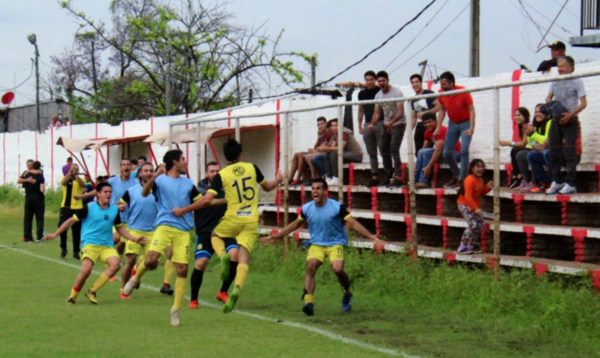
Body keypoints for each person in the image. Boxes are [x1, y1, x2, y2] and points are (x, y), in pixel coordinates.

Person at [172, 139, 283, 314]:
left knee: (216, 236)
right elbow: (268, 187)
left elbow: (207, 199)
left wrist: (184, 210)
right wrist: (278, 180)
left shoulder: (223, 175)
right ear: (241, 155)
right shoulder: (252, 168)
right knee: (244, 259)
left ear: (225, 158)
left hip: (232, 219)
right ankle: (237, 288)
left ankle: (222, 256)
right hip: (251, 220)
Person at [260, 179, 384, 316]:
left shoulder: (337, 207)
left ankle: (347, 292)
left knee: (338, 269)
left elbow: (353, 224)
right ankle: (308, 303)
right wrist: (276, 236)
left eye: (318, 188)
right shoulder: (307, 208)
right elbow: (295, 224)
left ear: (325, 191)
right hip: (317, 244)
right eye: (313, 188)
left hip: (335, 243)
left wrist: (371, 237)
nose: (315, 191)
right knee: (310, 266)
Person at [123, 150, 207, 326]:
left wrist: (187, 209)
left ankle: (175, 310)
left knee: (182, 269)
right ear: (175, 162)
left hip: (183, 231)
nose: (185, 162)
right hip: (163, 226)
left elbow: (200, 202)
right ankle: (136, 277)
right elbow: (145, 192)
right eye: (183, 159)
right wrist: (154, 175)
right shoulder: (160, 180)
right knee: (151, 259)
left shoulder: (187, 183)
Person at [43, 182, 147, 305]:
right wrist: (56, 234)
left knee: (115, 264)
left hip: (106, 246)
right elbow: (71, 221)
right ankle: (73, 296)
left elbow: (119, 229)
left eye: (110, 192)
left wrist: (134, 239)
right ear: (98, 194)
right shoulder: (89, 207)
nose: (108, 194)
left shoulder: (114, 209)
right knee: (86, 270)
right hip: (90, 244)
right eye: (105, 192)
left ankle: (92, 291)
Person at [189, 161, 236, 309]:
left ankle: (223, 291)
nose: (215, 174)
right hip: (205, 233)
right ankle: (193, 299)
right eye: (212, 171)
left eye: (217, 171)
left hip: (224, 232)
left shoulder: (228, 190)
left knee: (235, 255)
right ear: (206, 174)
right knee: (201, 263)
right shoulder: (199, 191)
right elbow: (205, 202)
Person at [545, 56, 587, 195]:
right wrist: (551, 107)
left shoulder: (577, 81)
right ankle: (557, 181)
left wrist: (570, 115)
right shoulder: (555, 81)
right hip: (556, 120)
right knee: (553, 151)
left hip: (571, 119)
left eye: (563, 66)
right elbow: (548, 97)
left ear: (571, 67)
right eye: (559, 66)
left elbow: (583, 103)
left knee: (570, 153)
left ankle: (571, 183)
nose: (560, 69)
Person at [119, 162, 158, 299]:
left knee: (153, 264)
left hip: (152, 231)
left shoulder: (158, 190)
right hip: (134, 230)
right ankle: (124, 290)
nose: (148, 173)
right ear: (140, 173)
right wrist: (121, 207)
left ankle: (137, 270)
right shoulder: (131, 191)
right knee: (129, 261)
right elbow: (119, 204)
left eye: (151, 170)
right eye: (145, 170)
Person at [434, 71, 476, 188]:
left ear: (451, 83)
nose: (442, 87)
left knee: (464, 150)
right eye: (441, 84)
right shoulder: (441, 94)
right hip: (453, 123)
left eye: (444, 84)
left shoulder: (463, 92)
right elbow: (442, 110)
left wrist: (471, 127)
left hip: (465, 122)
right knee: (447, 152)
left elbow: (472, 110)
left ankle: (463, 178)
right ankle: (456, 175)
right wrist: (438, 127)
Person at [369, 71, 405, 187]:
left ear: (388, 80)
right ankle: (388, 175)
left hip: (398, 123)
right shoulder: (378, 95)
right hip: (386, 124)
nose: (381, 83)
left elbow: (400, 112)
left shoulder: (397, 92)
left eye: (383, 80)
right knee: (384, 150)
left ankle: (398, 176)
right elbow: (376, 113)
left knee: (394, 149)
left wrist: (391, 122)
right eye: (379, 81)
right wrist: (372, 124)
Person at [414, 113, 460, 189]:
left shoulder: (440, 130)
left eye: (430, 122)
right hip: (443, 153)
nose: (427, 124)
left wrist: (428, 167)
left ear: (435, 121)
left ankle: (423, 181)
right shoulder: (427, 132)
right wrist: (416, 163)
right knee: (421, 151)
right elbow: (423, 149)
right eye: (425, 123)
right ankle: (415, 181)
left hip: (454, 154)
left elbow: (438, 151)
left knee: (426, 152)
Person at [456, 159, 493, 254]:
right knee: (473, 224)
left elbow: (480, 193)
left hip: (473, 205)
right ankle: (462, 246)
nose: (480, 169)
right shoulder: (469, 180)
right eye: (478, 167)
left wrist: (488, 187)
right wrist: (475, 208)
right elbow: (467, 196)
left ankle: (471, 245)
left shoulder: (480, 180)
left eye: (482, 167)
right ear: (472, 168)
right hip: (464, 204)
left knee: (480, 224)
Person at [316, 119, 363, 186]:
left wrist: (326, 148)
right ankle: (329, 177)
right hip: (346, 154)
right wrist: (324, 148)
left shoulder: (343, 132)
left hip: (356, 154)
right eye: (332, 126)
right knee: (327, 155)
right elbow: (332, 147)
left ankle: (336, 178)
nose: (334, 127)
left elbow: (340, 148)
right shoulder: (335, 134)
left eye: (336, 125)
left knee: (334, 154)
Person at [108, 159, 138, 258]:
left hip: (129, 219)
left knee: (122, 245)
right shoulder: (112, 181)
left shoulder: (136, 183)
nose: (126, 167)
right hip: (115, 216)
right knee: (116, 238)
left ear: (131, 167)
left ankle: (117, 260)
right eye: (124, 165)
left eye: (128, 165)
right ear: (120, 168)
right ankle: (100, 247)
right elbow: (100, 191)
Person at [357, 70, 382, 188]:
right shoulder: (362, 94)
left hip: (381, 122)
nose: (369, 82)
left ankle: (389, 174)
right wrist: (359, 125)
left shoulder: (380, 91)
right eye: (367, 80)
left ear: (375, 80)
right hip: (367, 123)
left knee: (384, 150)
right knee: (372, 152)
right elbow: (360, 109)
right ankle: (374, 176)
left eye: (371, 79)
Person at [499, 107, 531, 189]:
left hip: (536, 149)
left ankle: (520, 177)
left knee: (516, 151)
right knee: (514, 151)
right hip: (531, 149)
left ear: (525, 116)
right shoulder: (521, 126)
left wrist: (508, 143)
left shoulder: (528, 125)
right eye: (515, 115)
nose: (516, 117)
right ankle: (516, 177)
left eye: (519, 115)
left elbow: (523, 144)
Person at [59, 163, 86, 259]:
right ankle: (63, 248)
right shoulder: (64, 178)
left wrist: (76, 175)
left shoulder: (81, 179)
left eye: (77, 169)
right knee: (62, 228)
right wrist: (70, 173)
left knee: (76, 231)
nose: (75, 170)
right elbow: (63, 182)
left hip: (78, 208)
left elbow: (82, 184)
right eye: (73, 169)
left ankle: (76, 252)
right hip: (65, 208)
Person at [290, 117, 327, 185]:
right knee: (297, 154)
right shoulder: (320, 133)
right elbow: (316, 147)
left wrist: (315, 150)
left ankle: (300, 178)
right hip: (318, 152)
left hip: (324, 153)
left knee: (305, 154)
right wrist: (318, 139)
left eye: (322, 124)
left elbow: (324, 148)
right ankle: (290, 178)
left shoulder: (328, 133)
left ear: (326, 124)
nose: (320, 126)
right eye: (318, 125)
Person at [526, 105, 553, 193]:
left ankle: (555, 181)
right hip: (543, 150)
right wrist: (535, 141)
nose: (537, 114)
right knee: (531, 155)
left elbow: (546, 140)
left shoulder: (550, 122)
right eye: (536, 112)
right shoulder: (538, 125)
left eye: (540, 112)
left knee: (546, 152)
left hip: (554, 153)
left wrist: (533, 134)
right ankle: (544, 182)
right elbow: (530, 143)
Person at [410, 74, 438, 156]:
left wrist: (426, 113)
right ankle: (419, 168)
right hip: (419, 126)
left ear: (421, 82)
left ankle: (428, 168)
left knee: (427, 152)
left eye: (417, 82)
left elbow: (440, 106)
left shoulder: (429, 93)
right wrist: (409, 129)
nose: (415, 84)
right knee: (418, 152)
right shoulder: (413, 99)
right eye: (412, 82)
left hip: (429, 125)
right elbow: (414, 116)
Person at [18, 160, 45, 243]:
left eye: (30, 165)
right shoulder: (40, 175)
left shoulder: (27, 173)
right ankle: (38, 237)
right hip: (38, 198)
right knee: (39, 218)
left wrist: (27, 180)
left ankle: (28, 237)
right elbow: (42, 189)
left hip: (29, 198)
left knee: (28, 218)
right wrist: (28, 181)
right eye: (28, 165)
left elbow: (20, 181)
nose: (29, 166)